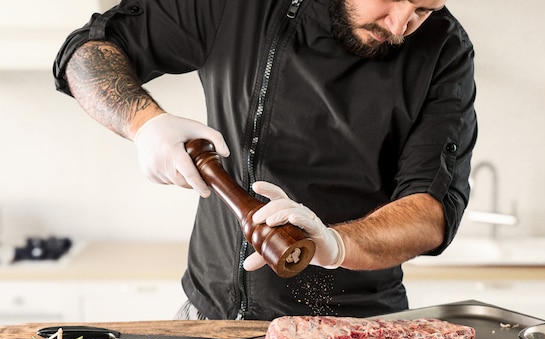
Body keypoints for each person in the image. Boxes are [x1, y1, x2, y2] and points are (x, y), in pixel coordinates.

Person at [53, 0, 477, 321]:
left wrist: (336, 244)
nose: (401, 24)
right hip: (211, 319)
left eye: (423, 8)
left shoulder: (443, 47)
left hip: (354, 326)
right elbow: (87, 52)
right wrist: (144, 123)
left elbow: (431, 210)